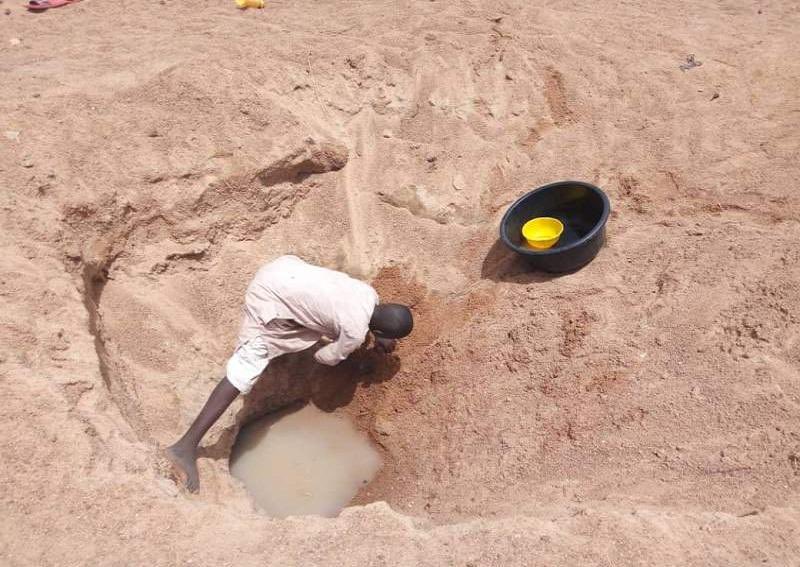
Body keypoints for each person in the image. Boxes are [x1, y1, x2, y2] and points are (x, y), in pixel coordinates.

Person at [166, 255, 413, 492]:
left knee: (309, 325)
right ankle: (185, 446)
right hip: (268, 295)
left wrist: (378, 333)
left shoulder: (368, 293)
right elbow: (326, 357)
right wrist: (341, 353)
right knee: (246, 367)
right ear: (380, 329)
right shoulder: (355, 332)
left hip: (283, 270)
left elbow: (354, 314)